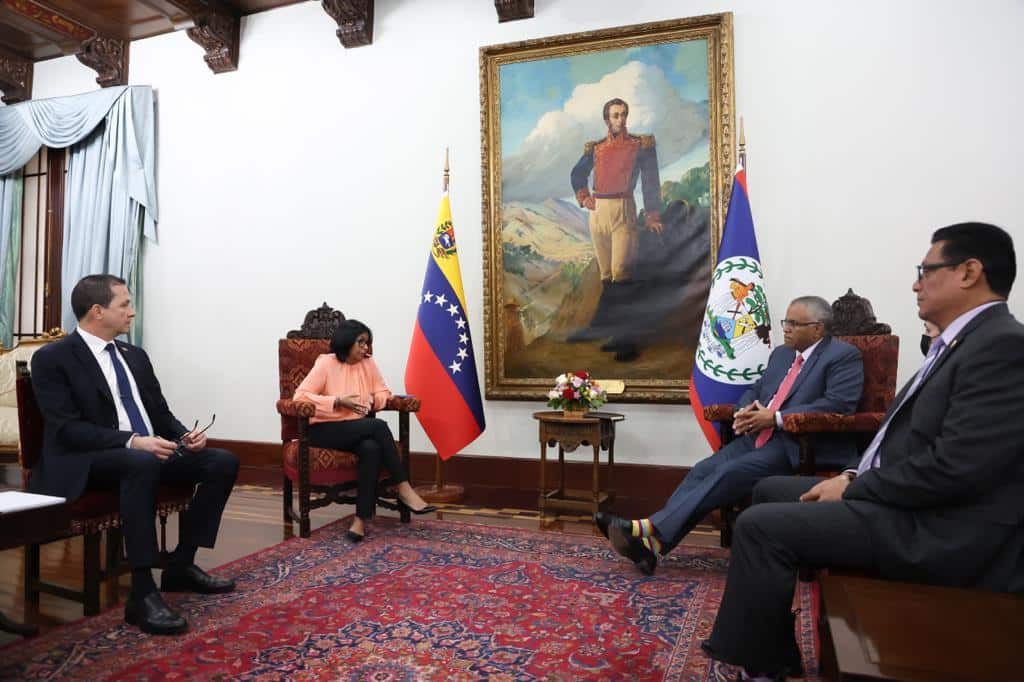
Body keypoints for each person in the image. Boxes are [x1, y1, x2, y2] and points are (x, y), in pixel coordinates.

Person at [703, 222, 1024, 681]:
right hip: (905, 499)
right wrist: (854, 477)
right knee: (768, 490)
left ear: (969, 272)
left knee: (759, 528)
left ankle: (761, 668)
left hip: (937, 526)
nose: (916, 283)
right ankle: (773, 648)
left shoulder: (1001, 347)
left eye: (926, 269)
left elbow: (958, 468)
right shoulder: (963, 343)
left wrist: (855, 485)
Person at [29, 274, 240, 636]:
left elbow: (159, 413)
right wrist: (131, 441)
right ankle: (142, 593)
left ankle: (180, 564)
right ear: (97, 311)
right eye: (124, 304)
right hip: (84, 460)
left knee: (222, 461)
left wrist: (182, 435)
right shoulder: (53, 358)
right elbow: (67, 430)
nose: (133, 312)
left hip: (139, 454)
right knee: (139, 462)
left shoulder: (134, 356)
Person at [596, 296, 864, 575]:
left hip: (797, 445)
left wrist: (776, 418)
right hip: (759, 437)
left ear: (818, 329)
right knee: (704, 469)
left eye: (794, 324)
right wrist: (744, 410)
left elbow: (838, 405)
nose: (785, 328)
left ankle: (649, 529)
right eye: (786, 322)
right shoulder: (782, 354)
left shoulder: (842, 356)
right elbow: (757, 389)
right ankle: (652, 545)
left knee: (730, 472)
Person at [292, 319, 435, 542]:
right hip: (323, 430)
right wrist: (338, 401)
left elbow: (383, 392)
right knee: (378, 426)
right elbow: (300, 397)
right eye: (360, 342)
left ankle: (360, 520)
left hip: (356, 430)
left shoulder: (367, 363)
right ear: (346, 342)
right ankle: (404, 487)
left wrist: (372, 400)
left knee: (371, 448)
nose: (365, 348)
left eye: (367, 343)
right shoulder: (326, 363)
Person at [568, 97, 663, 361]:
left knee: (622, 273)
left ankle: (628, 341)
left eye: (622, 115)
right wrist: (584, 197)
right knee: (608, 275)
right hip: (598, 212)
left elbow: (650, 181)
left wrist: (652, 215)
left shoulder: (639, 146)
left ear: (626, 117)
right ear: (607, 119)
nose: (619, 119)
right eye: (614, 115)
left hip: (624, 208)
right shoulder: (595, 148)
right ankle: (614, 335)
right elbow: (577, 174)